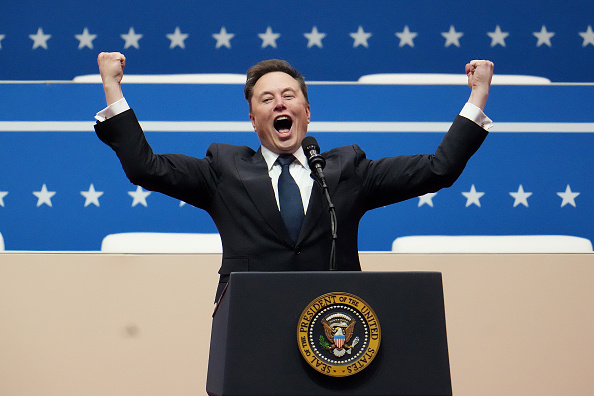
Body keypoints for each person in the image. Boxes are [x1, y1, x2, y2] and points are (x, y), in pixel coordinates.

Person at [94, 52, 494, 301]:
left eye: (289, 96)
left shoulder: (347, 169)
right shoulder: (223, 170)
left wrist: (477, 96)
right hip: (251, 323)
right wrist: (112, 87)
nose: (279, 103)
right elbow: (146, 167)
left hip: (337, 326)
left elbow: (438, 169)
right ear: (253, 120)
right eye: (266, 99)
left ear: (306, 110)